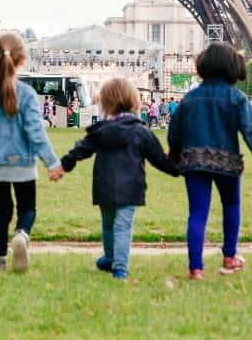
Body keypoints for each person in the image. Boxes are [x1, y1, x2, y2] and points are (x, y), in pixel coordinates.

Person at [167, 43, 252, 279]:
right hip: (227, 161)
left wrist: (175, 155)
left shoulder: (189, 98)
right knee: (231, 206)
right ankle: (229, 257)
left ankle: (195, 268)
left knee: (197, 213)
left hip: (195, 161)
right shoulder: (236, 97)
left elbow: (174, 131)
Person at [0, 33, 63, 273]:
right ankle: (22, 234)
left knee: (2, 211)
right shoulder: (26, 94)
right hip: (23, 162)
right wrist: (52, 163)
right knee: (28, 208)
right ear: (22, 60)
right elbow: (36, 132)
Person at [60, 77, 179, 280]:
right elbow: (159, 159)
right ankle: (120, 268)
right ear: (134, 100)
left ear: (106, 103)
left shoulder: (101, 131)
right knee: (123, 226)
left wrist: (65, 164)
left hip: (104, 185)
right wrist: (179, 169)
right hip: (131, 187)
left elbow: (82, 149)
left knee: (108, 224)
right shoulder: (141, 132)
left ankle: (110, 257)